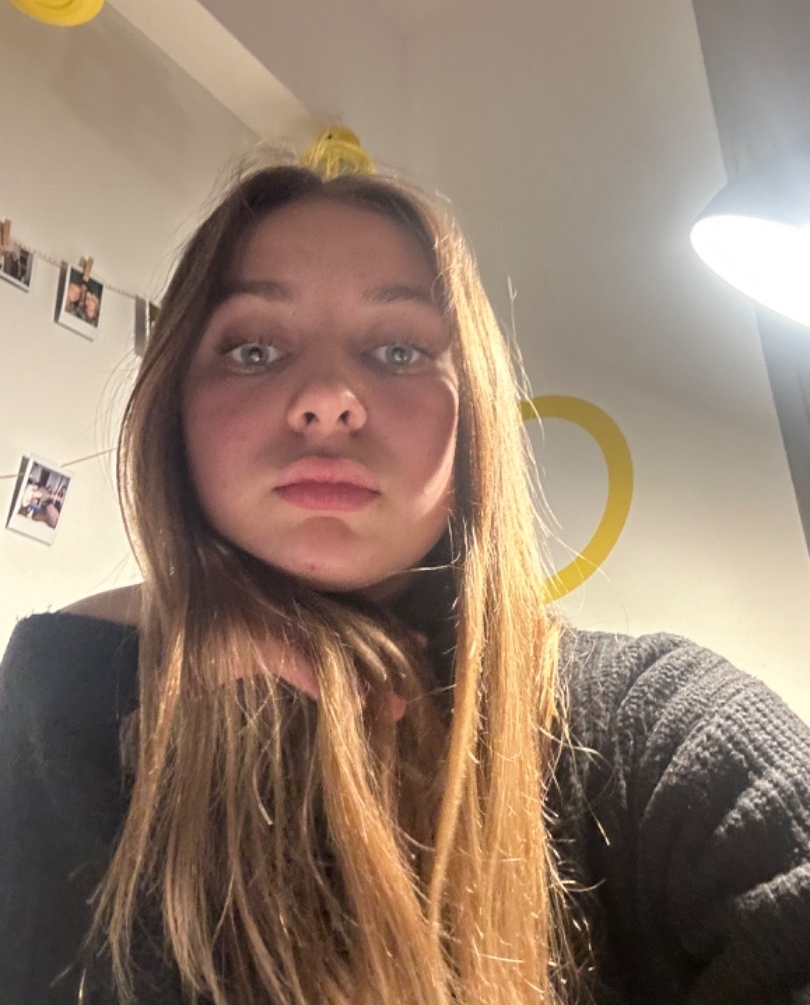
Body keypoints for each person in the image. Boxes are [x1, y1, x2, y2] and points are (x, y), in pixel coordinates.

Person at [1, 161, 809, 1005]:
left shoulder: (653, 727)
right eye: (254, 350)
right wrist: (93, 661)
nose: (326, 399)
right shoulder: (85, 699)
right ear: (174, 413)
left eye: (398, 351)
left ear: (472, 423)